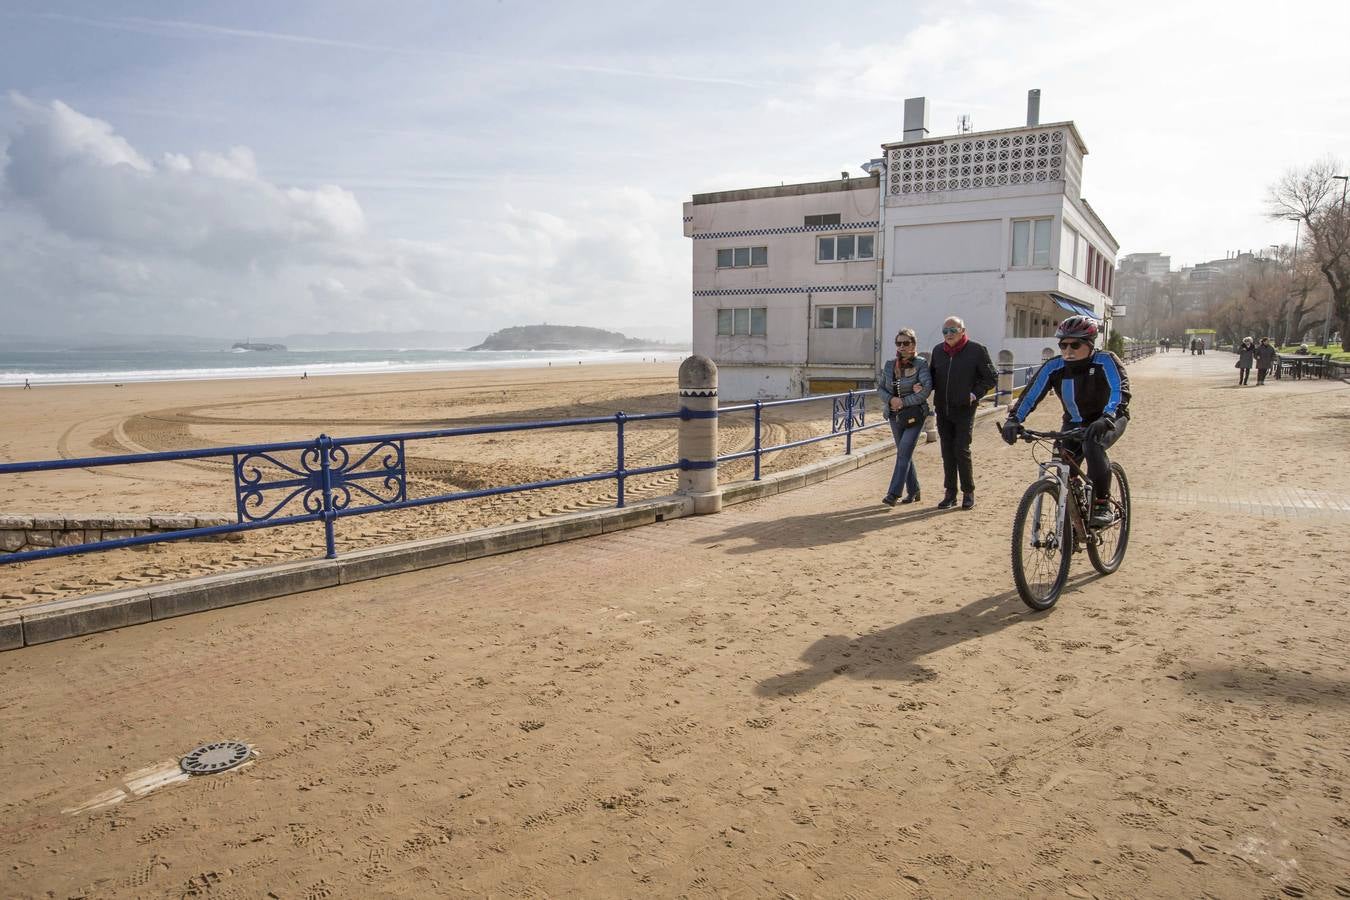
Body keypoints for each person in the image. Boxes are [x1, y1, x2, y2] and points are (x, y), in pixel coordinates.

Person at [1001, 315, 1131, 529]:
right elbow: (1031, 394)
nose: (1068, 350)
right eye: (1063, 344)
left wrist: (1107, 417)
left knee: (1092, 445)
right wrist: (1014, 419)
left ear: (1089, 345)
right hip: (1074, 423)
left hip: (1109, 418)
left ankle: (1101, 503)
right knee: (1062, 463)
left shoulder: (1106, 361)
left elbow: (1120, 391)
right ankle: (1072, 522)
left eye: (1075, 344)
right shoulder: (1055, 366)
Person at [929, 316, 997, 510]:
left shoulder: (976, 350)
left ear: (963, 330)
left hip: (964, 410)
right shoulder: (938, 351)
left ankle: (968, 491)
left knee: (961, 449)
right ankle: (950, 493)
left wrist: (975, 393)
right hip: (943, 408)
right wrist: (920, 385)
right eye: (945, 331)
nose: (948, 334)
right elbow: (932, 377)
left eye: (953, 330)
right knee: (947, 452)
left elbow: (991, 377)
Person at [876, 328, 932, 507]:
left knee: (903, 452)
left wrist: (903, 402)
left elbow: (925, 390)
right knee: (904, 453)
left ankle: (893, 494)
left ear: (913, 344)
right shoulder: (889, 365)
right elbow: (881, 389)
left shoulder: (921, 364)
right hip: (894, 416)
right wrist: (892, 399)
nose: (902, 347)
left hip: (915, 416)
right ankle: (914, 489)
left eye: (906, 343)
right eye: (898, 343)